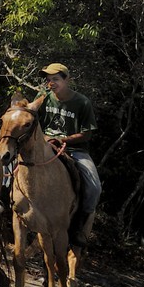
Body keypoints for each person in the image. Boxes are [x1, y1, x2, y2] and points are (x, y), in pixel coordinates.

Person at [41, 62, 100, 246]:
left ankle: (79, 226)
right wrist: (45, 138)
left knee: (94, 186)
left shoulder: (82, 102)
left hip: (74, 149)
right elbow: (32, 123)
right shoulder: (42, 98)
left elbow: (87, 133)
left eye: (56, 79)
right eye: (49, 80)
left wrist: (65, 140)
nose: (51, 83)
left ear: (67, 80)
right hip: (44, 145)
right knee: (10, 160)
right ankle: (4, 203)